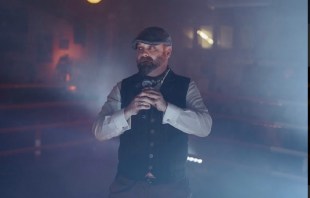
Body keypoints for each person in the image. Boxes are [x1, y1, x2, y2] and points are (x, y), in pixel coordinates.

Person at [92, 26, 212, 198]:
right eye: (140, 48)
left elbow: (204, 127)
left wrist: (167, 108)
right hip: (127, 187)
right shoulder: (123, 86)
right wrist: (127, 112)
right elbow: (99, 132)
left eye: (152, 48)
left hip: (171, 188)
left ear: (168, 52)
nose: (144, 53)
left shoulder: (185, 86)